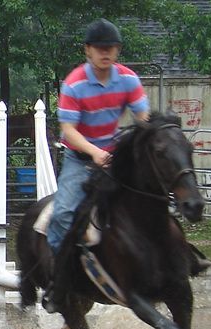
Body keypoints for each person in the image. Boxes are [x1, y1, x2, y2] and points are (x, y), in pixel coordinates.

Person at [46, 18, 149, 256]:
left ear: (117, 50)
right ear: (87, 50)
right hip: (80, 157)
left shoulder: (129, 80)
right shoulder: (73, 84)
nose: (105, 52)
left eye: (110, 48)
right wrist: (95, 152)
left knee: (150, 199)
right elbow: (69, 130)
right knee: (62, 213)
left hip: (114, 155)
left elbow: (143, 119)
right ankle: (59, 271)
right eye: (99, 48)